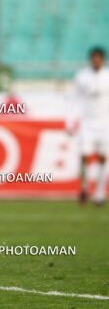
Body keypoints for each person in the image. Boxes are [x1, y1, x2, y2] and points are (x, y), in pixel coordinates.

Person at [66, 47, 109, 205]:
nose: (96, 60)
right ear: (91, 59)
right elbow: (73, 99)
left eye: (99, 58)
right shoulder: (82, 76)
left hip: (105, 122)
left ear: (103, 59)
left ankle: (99, 193)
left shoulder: (107, 75)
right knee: (84, 156)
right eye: (94, 58)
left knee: (104, 158)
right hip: (87, 122)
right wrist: (70, 122)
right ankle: (84, 187)